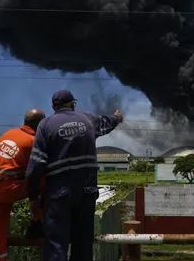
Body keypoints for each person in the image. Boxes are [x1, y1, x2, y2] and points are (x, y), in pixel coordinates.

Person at [25, 90, 124, 261]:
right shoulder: (88, 119)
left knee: (56, 244)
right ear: (72, 103)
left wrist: (33, 197)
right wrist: (118, 117)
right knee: (83, 244)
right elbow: (108, 122)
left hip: (58, 194)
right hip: (87, 191)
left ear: (53, 107)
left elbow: (36, 165)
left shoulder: (46, 125)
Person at [0, 108, 46, 261]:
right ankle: (37, 223)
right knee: (43, 179)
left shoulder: (10, 133)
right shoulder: (33, 142)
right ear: (41, 125)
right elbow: (37, 174)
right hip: (4, 191)